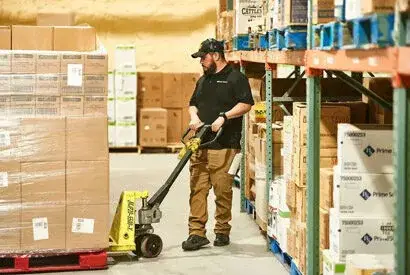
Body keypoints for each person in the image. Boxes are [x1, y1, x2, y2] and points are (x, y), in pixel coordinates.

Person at [182, 38, 254, 251]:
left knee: (222, 190)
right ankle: (196, 233)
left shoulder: (236, 78)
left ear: (215, 55)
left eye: (203, 58)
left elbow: (246, 104)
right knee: (197, 189)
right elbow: (193, 103)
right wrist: (193, 117)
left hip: (224, 144)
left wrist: (224, 117)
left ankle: (222, 230)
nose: (201, 62)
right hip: (200, 144)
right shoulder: (203, 80)